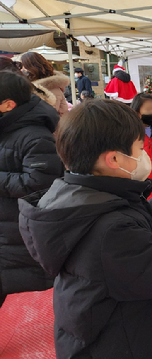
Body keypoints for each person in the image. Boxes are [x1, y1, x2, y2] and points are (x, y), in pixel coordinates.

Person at [18, 99, 152, 359]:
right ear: (114, 159)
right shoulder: (110, 230)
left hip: (120, 328)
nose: (144, 156)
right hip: (124, 343)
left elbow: (142, 221)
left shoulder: (87, 194)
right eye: (140, 149)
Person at [0, 72, 63, 307]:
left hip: (16, 228)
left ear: (8, 105)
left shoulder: (36, 136)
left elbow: (38, 183)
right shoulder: (7, 128)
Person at [20, 51, 70, 117]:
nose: (21, 70)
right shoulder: (33, 86)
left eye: (23, 66)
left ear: (32, 67)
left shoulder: (51, 88)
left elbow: (49, 115)